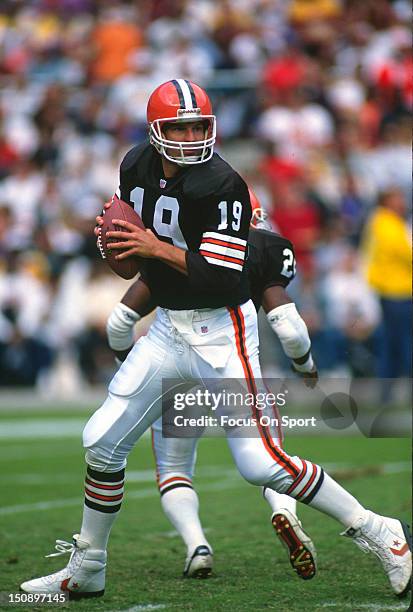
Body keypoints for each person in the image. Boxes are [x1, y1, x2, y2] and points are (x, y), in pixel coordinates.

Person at [21, 80, 411, 599]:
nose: (189, 136)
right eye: (178, 126)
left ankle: (378, 529)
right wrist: (118, 238)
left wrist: (153, 249)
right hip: (167, 329)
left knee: (260, 464)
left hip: (221, 330)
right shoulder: (135, 163)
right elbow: (129, 233)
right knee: (102, 441)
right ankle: (88, 568)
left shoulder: (222, 182)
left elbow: (221, 279)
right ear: (155, 131)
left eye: (198, 126)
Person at [105, 190, 319, 580]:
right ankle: (283, 511)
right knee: (269, 459)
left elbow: (118, 323)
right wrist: (305, 364)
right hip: (227, 362)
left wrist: (130, 366)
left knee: (173, 469)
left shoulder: (176, 251)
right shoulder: (262, 249)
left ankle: (196, 545)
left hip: (172, 368)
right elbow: (290, 328)